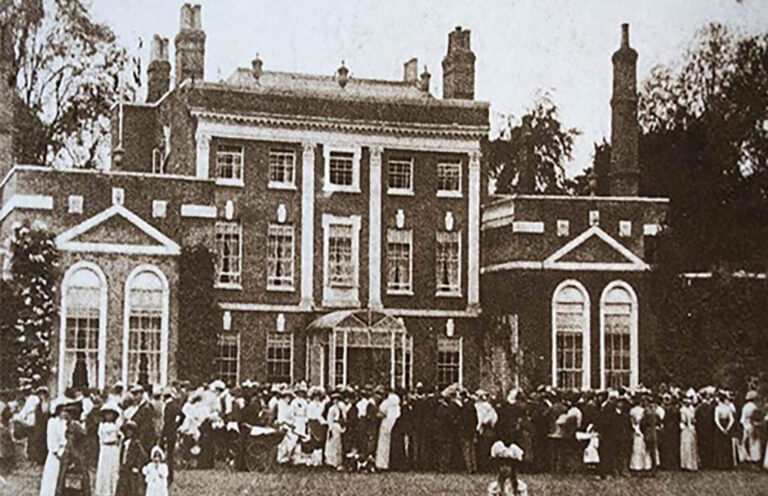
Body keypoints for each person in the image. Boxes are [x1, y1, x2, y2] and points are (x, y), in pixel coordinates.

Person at [39, 398, 68, 496]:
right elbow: (51, 439)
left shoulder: (65, 423)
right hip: (55, 453)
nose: (64, 413)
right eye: (63, 410)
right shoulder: (52, 422)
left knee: (62, 477)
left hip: (66, 450)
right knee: (52, 477)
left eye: (66, 411)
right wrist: (57, 452)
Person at [95, 402, 122, 496]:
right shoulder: (102, 426)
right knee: (104, 470)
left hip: (113, 450)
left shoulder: (116, 426)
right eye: (107, 414)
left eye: (111, 414)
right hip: (105, 449)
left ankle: (113, 491)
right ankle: (103, 492)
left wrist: (118, 439)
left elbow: (120, 437)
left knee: (113, 470)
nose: (108, 416)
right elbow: (101, 438)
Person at [116, 421, 147, 496]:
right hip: (124, 468)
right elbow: (122, 455)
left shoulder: (136, 443)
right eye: (127, 430)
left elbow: (143, 456)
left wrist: (137, 466)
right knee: (122, 487)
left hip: (131, 469)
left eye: (130, 431)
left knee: (132, 488)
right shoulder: (124, 442)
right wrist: (121, 464)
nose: (128, 432)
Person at [375, 390, 401, 471]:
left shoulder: (386, 403)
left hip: (385, 424)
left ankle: (382, 463)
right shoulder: (396, 406)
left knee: (383, 445)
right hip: (393, 424)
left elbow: (381, 413)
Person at [712, 391, 736, 470]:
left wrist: (721, 429)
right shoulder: (728, 408)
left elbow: (716, 420)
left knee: (720, 446)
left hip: (720, 427)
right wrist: (728, 428)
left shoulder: (718, 408)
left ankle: (720, 464)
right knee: (726, 446)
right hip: (726, 424)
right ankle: (728, 464)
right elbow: (732, 419)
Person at [740, 391, 761, 465]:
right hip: (753, 425)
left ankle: (746, 457)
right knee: (754, 442)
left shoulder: (745, 407)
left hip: (746, 425)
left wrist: (743, 426)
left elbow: (742, 419)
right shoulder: (754, 407)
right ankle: (755, 457)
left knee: (744, 441)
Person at [324, 392, 345, 470]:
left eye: (337, 399)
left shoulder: (341, 408)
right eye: (334, 400)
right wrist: (330, 428)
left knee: (338, 445)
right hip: (333, 426)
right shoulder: (331, 409)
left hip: (338, 426)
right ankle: (330, 462)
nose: (335, 401)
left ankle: (338, 462)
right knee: (331, 445)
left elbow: (343, 418)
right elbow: (329, 420)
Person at [679, 390, 699, 471]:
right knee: (686, 446)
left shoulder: (691, 409)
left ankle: (691, 464)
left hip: (691, 428)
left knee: (691, 446)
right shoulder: (683, 410)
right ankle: (686, 464)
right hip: (686, 429)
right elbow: (682, 421)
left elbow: (693, 419)